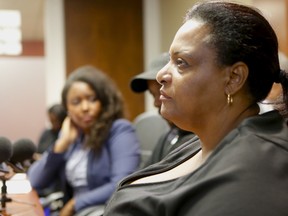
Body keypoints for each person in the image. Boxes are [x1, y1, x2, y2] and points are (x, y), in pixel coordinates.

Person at [103, 1, 288, 215]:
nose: (161, 75)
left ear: (233, 78)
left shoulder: (256, 172)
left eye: (181, 62)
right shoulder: (200, 140)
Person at [28, 65, 140, 216]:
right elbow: (34, 181)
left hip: (104, 210)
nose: (85, 107)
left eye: (92, 99)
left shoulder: (119, 130)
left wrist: (75, 203)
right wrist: (62, 144)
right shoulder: (74, 138)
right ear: (67, 109)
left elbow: (121, 184)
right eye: (76, 102)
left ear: (104, 102)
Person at [130, 52, 195, 167]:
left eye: (163, 93)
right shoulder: (168, 136)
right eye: (153, 94)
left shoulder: (202, 140)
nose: (156, 103)